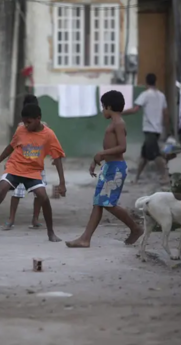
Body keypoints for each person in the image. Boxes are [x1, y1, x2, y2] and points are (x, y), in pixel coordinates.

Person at [0, 103, 66, 245]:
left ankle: (51, 232)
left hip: (33, 171)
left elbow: (58, 158)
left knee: (43, 197)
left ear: (38, 118)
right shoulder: (21, 130)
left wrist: (62, 182)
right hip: (15, 167)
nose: (26, 125)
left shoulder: (49, 135)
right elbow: (10, 147)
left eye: (29, 122)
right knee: (0, 191)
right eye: (24, 122)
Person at [66, 90, 143, 248]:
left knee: (108, 203)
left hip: (116, 169)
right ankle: (85, 238)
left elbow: (122, 147)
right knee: (98, 203)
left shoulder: (119, 123)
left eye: (103, 107)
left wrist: (101, 153)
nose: (102, 110)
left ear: (109, 106)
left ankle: (135, 228)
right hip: (109, 167)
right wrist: (97, 160)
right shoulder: (113, 123)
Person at [2, 94, 51, 231]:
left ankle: (35, 219)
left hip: (36, 165)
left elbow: (48, 143)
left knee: (39, 193)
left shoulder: (45, 127)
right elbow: (14, 145)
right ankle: (11, 219)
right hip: (20, 165)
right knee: (17, 193)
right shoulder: (21, 127)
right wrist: (9, 162)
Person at [122, 73, 171, 184]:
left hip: (150, 130)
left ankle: (165, 176)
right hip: (157, 129)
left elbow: (135, 110)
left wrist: (120, 113)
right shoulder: (161, 95)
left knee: (155, 154)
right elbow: (166, 113)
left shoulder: (145, 95)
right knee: (144, 156)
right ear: (155, 81)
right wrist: (167, 129)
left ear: (146, 82)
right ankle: (136, 178)